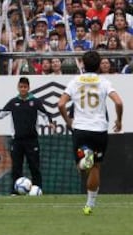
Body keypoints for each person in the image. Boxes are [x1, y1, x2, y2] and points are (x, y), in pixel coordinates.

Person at [58, 50, 123, 215]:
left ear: (83, 64)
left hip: (80, 128)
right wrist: (119, 120)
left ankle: (84, 157)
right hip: (99, 129)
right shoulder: (104, 82)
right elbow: (119, 102)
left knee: (81, 167)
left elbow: (60, 104)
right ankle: (90, 204)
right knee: (96, 167)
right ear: (99, 65)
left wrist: (68, 121)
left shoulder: (75, 82)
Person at [0, 77, 54, 194]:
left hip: (32, 140)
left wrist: (50, 123)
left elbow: (45, 114)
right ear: (18, 87)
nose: (23, 89)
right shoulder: (13, 102)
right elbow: (2, 113)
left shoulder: (36, 102)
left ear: (28, 88)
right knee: (16, 167)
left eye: (25, 87)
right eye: (21, 87)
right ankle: (15, 191)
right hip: (17, 141)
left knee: (34, 166)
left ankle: (38, 189)